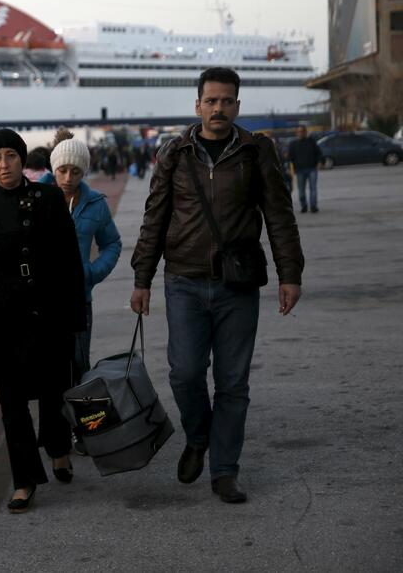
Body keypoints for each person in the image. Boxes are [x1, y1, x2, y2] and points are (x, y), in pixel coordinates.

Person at [130, 67, 304, 504]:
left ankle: (225, 471)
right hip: (183, 281)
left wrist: (290, 274)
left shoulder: (255, 151)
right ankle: (198, 436)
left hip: (237, 284)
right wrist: (142, 278)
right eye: (211, 101)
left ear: (237, 106)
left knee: (233, 382)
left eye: (227, 101)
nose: (219, 108)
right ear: (198, 106)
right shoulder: (175, 153)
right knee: (185, 372)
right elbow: (155, 218)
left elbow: (279, 215)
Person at [0, 128, 87, 513]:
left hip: (49, 310)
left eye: (10, 156)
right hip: (4, 315)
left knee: (53, 389)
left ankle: (59, 448)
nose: (3, 164)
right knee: (11, 401)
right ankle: (25, 479)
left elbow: (69, 259)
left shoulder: (48, 197)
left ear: (22, 160)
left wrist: (75, 314)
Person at [50, 135, 122, 381]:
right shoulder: (36, 200)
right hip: (42, 300)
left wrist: (91, 273)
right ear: (54, 169)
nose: (68, 178)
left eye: (76, 171)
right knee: (49, 369)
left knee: (80, 364)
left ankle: (81, 418)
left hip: (79, 299)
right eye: (63, 170)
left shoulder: (95, 204)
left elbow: (112, 243)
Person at [287, 127, 322, 213]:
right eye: (299, 131)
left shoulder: (311, 142)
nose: (300, 133)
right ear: (296, 133)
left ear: (306, 132)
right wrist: (289, 168)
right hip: (299, 171)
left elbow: (319, 153)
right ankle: (304, 206)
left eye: (302, 131)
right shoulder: (293, 144)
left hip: (312, 169)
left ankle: (313, 206)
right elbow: (289, 157)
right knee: (301, 190)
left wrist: (320, 162)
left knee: (313, 188)